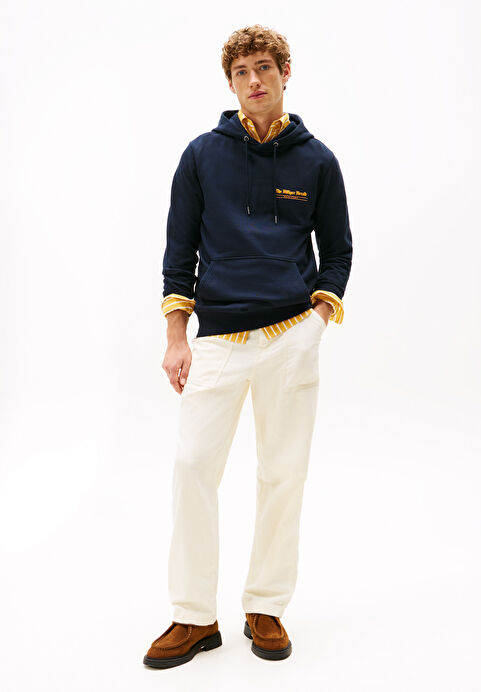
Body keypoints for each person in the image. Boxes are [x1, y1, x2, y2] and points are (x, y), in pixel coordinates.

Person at [143, 23, 353, 669]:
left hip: (291, 336)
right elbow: (179, 253)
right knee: (191, 468)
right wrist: (176, 337)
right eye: (241, 72)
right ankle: (193, 616)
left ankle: (265, 606)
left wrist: (317, 320)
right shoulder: (201, 155)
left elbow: (337, 251)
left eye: (264, 67)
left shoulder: (317, 161)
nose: (254, 80)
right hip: (218, 338)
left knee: (283, 473)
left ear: (285, 72)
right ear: (230, 82)